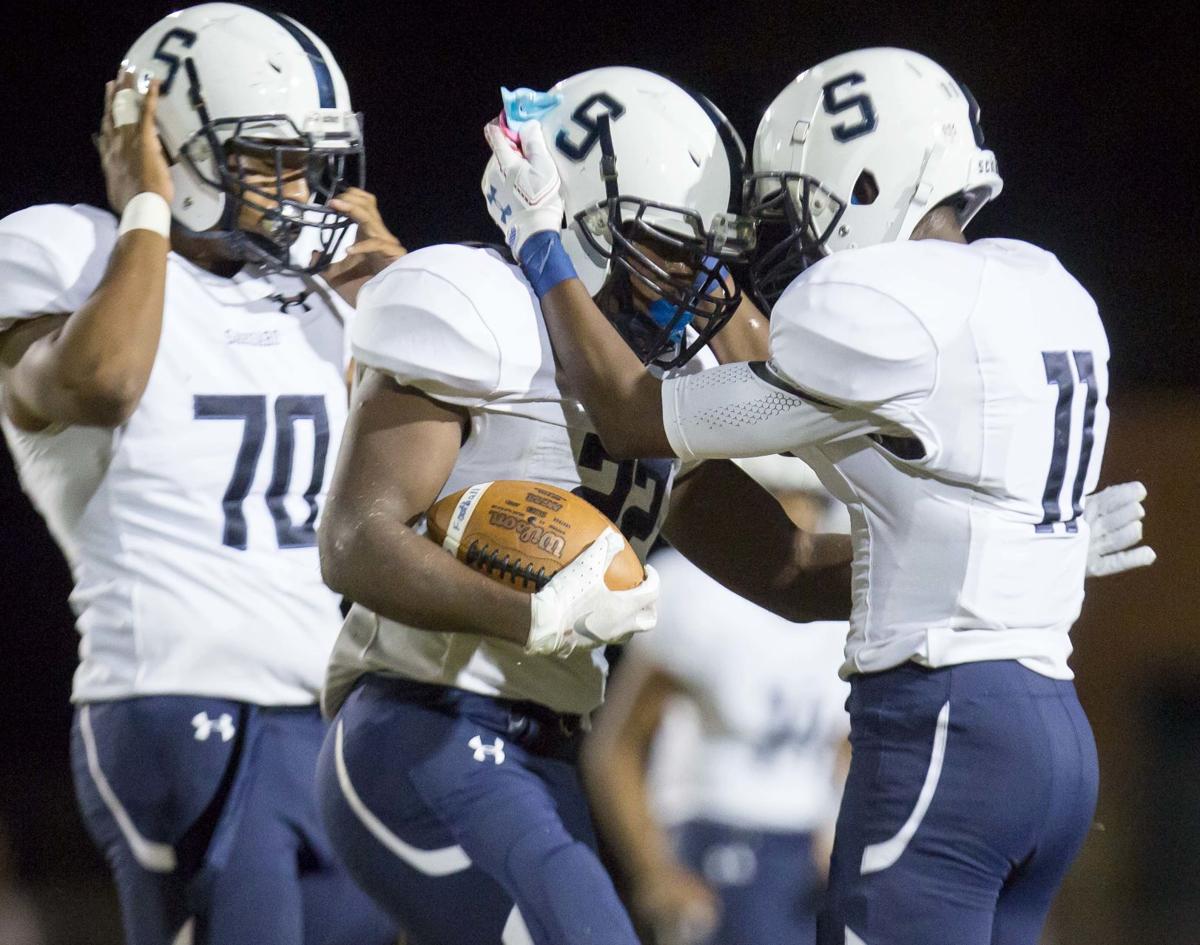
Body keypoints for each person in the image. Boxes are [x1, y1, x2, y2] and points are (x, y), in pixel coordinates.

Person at [483, 47, 1156, 945]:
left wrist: (541, 245)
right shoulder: (1039, 284)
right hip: (1049, 733)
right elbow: (819, 410)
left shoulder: (881, 303)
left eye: (804, 200)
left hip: (945, 724)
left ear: (871, 178)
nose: (795, 233)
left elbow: (636, 415)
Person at [313, 66, 851, 945]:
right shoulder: (478, 308)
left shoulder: (657, 382)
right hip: (425, 722)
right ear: (579, 218)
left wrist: (978, 564)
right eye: (669, 244)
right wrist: (529, 611)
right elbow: (355, 539)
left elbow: (787, 569)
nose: (698, 276)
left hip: (542, 750)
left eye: (710, 249)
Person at [0, 5, 400, 943]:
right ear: (165, 146)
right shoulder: (72, 259)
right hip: (178, 695)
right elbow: (99, 380)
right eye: (267, 156)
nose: (294, 187)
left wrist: (406, 299)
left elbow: (453, 472)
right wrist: (141, 204)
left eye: (310, 160)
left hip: (333, 709)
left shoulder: (321, 298)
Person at [583, 459, 850, 945]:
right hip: (712, 834)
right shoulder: (693, 590)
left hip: (806, 848)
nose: (799, 518)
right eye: (780, 499)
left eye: (810, 502)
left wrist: (841, 832)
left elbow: (844, 747)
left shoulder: (840, 604)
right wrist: (653, 871)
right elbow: (615, 750)